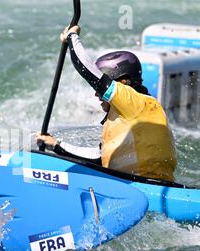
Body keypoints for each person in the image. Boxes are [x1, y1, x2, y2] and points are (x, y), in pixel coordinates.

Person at [37, 25, 177, 182]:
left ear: (124, 82)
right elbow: (99, 158)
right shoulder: (127, 115)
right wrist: (55, 145)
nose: (97, 94)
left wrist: (72, 37)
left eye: (101, 88)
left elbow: (88, 71)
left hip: (149, 187)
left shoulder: (137, 103)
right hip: (131, 185)